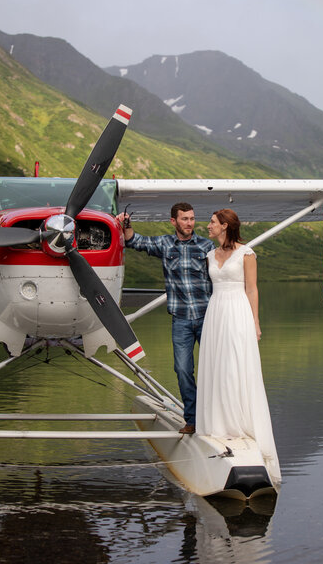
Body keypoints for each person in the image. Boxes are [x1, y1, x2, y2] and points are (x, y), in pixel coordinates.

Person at [195, 209, 280, 476]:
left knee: (234, 364)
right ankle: (217, 424)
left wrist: (255, 322)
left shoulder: (247, 253)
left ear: (225, 226)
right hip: (216, 311)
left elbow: (252, 289)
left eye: (212, 222)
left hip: (237, 311)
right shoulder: (209, 254)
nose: (207, 226)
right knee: (217, 365)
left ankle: (237, 424)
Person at [118, 203, 214, 434]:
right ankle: (192, 420)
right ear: (174, 222)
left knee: (215, 368)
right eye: (184, 219)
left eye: (192, 218)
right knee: (182, 370)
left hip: (207, 317)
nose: (189, 223)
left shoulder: (207, 245)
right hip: (180, 319)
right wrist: (126, 224)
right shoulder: (164, 244)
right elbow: (134, 241)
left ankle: (215, 418)